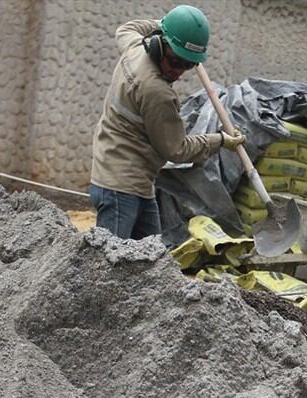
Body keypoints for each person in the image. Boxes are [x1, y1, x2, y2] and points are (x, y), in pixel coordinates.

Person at [90, 5, 245, 239]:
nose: (178, 72)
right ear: (158, 44)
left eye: (188, 64)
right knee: (107, 266)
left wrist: (169, 27)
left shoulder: (134, 47)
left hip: (132, 182)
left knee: (153, 264)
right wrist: (220, 140)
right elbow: (177, 149)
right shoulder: (157, 91)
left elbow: (127, 28)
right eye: (175, 61)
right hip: (120, 189)